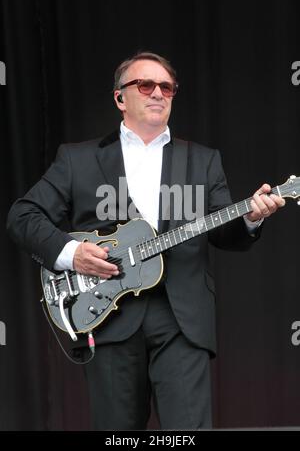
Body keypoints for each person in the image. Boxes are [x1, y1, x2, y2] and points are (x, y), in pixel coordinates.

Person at [7, 51, 285, 430]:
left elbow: (225, 232)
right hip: (108, 313)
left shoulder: (202, 160)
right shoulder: (78, 159)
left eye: (166, 87)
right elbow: (22, 217)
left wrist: (251, 217)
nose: (158, 93)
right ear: (120, 98)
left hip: (182, 317)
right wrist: (73, 255)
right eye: (145, 84)